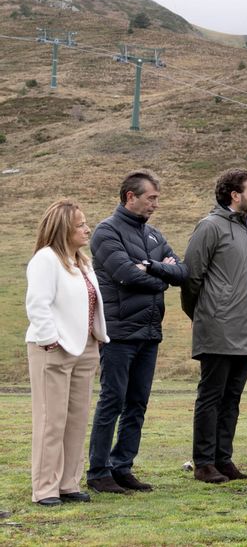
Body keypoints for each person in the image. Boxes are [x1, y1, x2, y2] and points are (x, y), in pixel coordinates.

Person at [87, 171, 187, 494]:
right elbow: (125, 275)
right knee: (112, 400)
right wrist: (161, 276)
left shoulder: (154, 236)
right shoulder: (106, 232)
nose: (156, 205)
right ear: (131, 197)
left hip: (148, 333)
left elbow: (181, 271)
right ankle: (99, 471)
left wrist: (153, 267)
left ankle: (122, 466)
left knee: (137, 403)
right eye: (151, 198)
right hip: (119, 333)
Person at [26, 199, 109, 506]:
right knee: (52, 419)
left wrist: (97, 337)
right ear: (63, 230)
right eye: (80, 225)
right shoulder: (45, 259)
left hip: (85, 347)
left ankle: (68, 483)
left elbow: (90, 302)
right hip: (53, 348)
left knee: (76, 418)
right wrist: (50, 339)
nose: (87, 229)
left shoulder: (82, 262)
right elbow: (38, 304)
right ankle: (45, 488)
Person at [181, 168, 247, 484]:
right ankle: (203, 463)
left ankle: (223, 459)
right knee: (212, 396)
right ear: (235, 195)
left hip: (246, 330)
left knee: (232, 398)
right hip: (217, 328)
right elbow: (191, 278)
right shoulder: (210, 227)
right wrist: (203, 316)